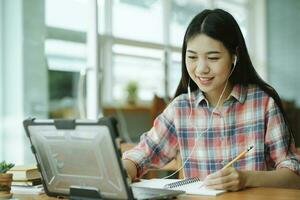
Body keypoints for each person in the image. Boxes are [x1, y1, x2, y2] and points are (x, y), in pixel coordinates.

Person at [122, 8, 300, 191]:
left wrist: (247, 178)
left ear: (234, 56)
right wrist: (125, 171)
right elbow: (144, 153)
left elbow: (294, 177)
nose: (201, 69)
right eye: (192, 57)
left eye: (213, 58)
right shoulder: (180, 108)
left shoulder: (262, 104)